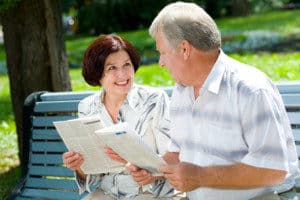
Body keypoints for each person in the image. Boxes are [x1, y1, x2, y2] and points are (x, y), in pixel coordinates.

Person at [126, 2, 300, 200]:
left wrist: (201, 177)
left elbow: (273, 170)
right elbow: (177, 154)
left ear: (184, 49)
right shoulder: (182, 91)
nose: (161, 63)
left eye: (163, 52)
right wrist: (152, 168)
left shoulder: (250, 89)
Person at [62, 34, 176, 199]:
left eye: (126, 65)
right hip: (107, 193)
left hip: (149, 192)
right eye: (111, 68)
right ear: (97, 74)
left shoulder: (154, 100)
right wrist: (79, 166)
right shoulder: (88, 107)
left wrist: (150, 174)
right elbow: (93, 174)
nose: (122, 74)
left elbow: (171, 160)